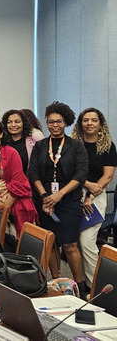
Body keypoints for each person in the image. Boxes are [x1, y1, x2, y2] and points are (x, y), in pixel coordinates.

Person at [27, 101, 87, 291]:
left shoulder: (76, 146)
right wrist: (46, 196)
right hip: (45, 199)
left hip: (68, 198)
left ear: (66, 122)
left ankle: (80, 286)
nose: (54, 125)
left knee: (70, 244)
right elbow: (33, 173)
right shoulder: (40, 146)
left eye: (59, 121)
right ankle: (57, 282)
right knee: (51, 242)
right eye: (51, 122)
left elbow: (81, 174)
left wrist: (59, 194)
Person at [71, 108, 117, 287]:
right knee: (73, 241)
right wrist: (86, 184)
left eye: (94, 120)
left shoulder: (108, 146)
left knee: (86, 241)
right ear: (80, 123)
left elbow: (108, 177)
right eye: (85, 120)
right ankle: (80, 283)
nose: (89, 123)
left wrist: (90, 194)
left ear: (100, 124)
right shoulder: (73, 145)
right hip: (73, 192)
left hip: (96, 196)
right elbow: (69, 171)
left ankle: (96, 285)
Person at [2, 109, 43, 174]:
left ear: (23, 123)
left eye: (17, 122)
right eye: (9, 122)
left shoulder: (34, 141)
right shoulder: (2, 143)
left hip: (30, 181)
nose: (13, 125)